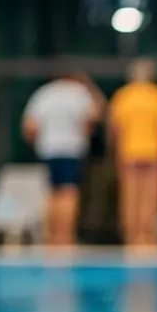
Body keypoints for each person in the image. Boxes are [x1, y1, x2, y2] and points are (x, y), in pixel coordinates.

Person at [23, 72, 102, 247]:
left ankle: (50, 236)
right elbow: (94, 116)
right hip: (70, 149)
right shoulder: (79, 93)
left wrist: (39, 142)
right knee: (68, 193)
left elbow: (29, 126)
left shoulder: (44, 94)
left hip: (49, 149)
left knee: (52, 194)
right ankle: (65, 236)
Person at [108, 59, 157, 249]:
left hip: (129, 151)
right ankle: (147, 237)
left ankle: (131, 236)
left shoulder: (123, 96)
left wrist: (114, 152)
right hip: (154, 151)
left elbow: (114, 129)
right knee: (150, 198)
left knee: (130, 197)